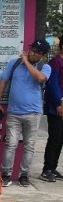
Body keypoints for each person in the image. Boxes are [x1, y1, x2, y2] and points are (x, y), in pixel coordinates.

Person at [0, 39, 51, 187]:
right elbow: (3, 83)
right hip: (14, 112)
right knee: (11, 144)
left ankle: (23, 175)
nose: (34, 54)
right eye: (33, 50)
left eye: (38, 53)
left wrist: (26, 62)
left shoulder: (44, 67)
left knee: (29, 145)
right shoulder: (14, 64)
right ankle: (6, 174)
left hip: (34, 113)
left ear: (43, 55)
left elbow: (40, 78)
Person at [41, 47, 63, 183]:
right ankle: (47, 169)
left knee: (60, 139)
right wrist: (58, 102)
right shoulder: (56, 62)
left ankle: (53, 167)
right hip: (57, 106)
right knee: (54, 137)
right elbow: (52, 84)